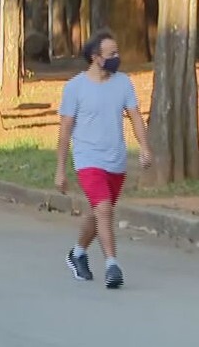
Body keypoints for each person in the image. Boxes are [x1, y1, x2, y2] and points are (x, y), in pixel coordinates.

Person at [56, 30, 151, 289]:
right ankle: (112, 265)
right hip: (88, 159)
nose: (117, 58)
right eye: (112, 54)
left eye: (117, 53)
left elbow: (135, 116)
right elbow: (65, 130)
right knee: (105, 209)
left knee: (98, 212)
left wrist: (144, 147)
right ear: (96, 58)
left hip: (116, 160)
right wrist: (61, 170)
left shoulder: (123, 83)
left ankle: (77, 253)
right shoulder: (75, 87)